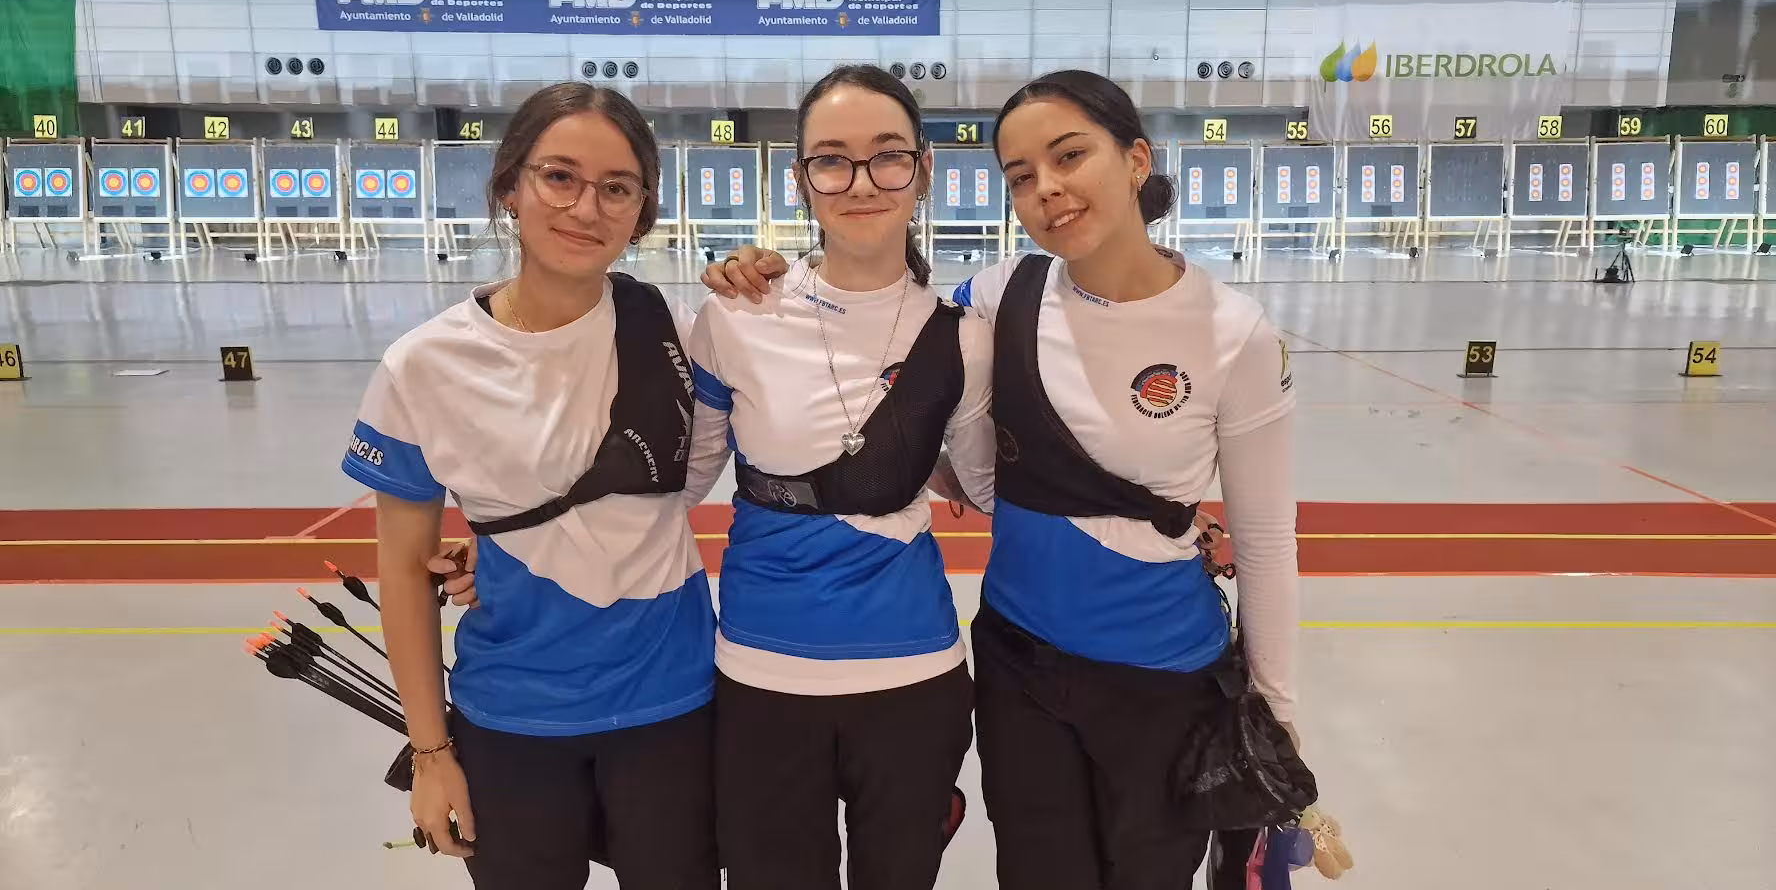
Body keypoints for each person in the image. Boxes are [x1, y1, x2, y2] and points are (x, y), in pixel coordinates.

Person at [703, 69, 1301, 890]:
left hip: (1162, 676)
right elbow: (897, 373)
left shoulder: (1237, 335)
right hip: (1020, 666)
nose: (1047, 189)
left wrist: (1277, 713)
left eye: (1069, 156)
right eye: (1021, 176)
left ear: (1135, 159)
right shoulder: (997, 297)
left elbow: (1266, 542)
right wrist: (759, 269)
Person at [344, 82, 725, 890]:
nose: (587, 207)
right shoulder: (422, 366)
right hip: (513, 717)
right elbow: (407, 578)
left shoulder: (675, 334)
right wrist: (431, 753)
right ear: (509, 186)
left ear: (641, 209)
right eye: (560, 177)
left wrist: (764, 276)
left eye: (617, 187)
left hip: (673, 707)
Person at [689, 64, 995, 890]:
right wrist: (504, 548)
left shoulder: (963, 336)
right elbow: (671, 490)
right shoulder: (735, 314)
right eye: (832, 159)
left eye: (888, 155)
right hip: (761, 674)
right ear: (801, 180)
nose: (861, 182)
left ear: (924, 170)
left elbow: (991, 489)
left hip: (914, 676)